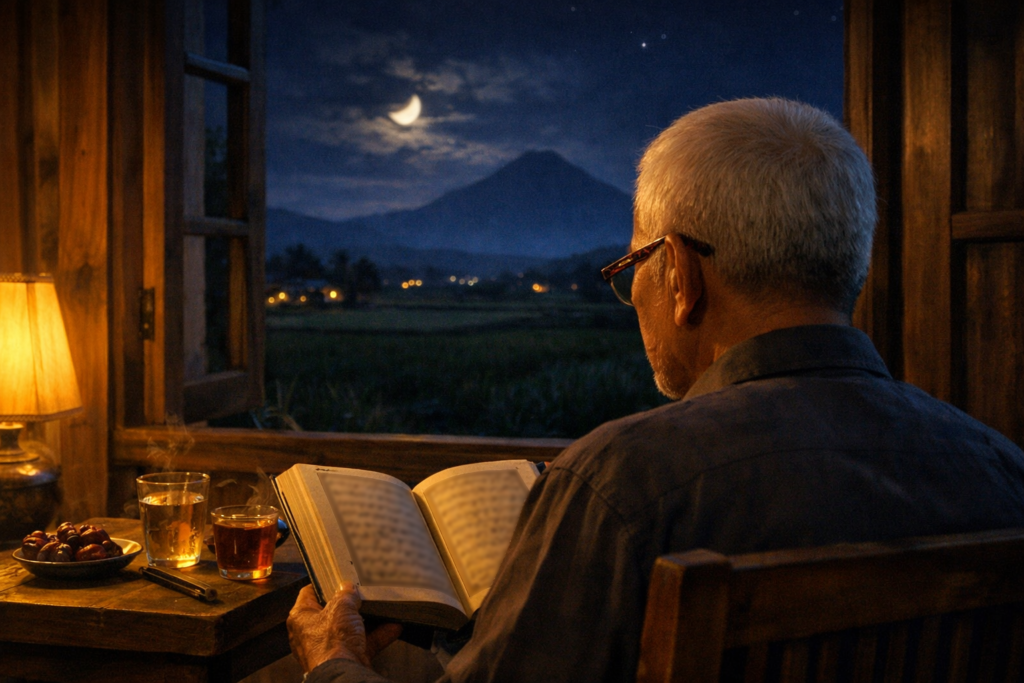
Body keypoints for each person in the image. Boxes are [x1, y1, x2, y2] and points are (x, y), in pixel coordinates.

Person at [286, 98, 1024, 683]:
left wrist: (335, 664)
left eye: (632, 262)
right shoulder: (1001, 472)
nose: (632, 286)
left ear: (681, 273)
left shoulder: (625, 485)